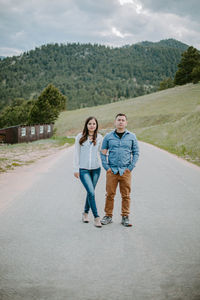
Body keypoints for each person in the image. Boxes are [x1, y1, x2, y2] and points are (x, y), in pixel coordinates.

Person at [100, 113, 139, 227]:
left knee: (126, 195)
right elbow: (103, 153)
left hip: (125, 171)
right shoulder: (108, 137)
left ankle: (125, 217)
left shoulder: (132, 136)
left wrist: (130, 167)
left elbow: (136, 153)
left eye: (123, 120)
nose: (121, 122)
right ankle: (108, 216)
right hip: (112, 171)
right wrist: (107, 167)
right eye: (119, 120)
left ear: (126, 123)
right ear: (115, 122)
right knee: (110, 194)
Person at [73, 116, 103, 228]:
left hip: (96, 169)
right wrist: (76, 169)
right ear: (86, 125)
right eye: (90, 123)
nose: (92, 125)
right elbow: (76, 154)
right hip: (83, 169)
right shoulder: (80, 137)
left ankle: (85, 213)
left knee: (90, 193)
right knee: (91, 192)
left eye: (94, 124)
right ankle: (96, 217)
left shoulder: (99, 137)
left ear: (96, 126)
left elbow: (102, 152)